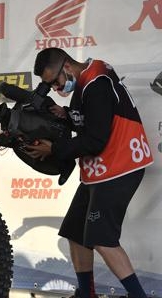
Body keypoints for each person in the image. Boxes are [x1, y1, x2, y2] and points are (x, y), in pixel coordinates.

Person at [27, 47, 154, 298]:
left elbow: (95, 140)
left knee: (102, 238)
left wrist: (55, 149)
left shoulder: (96, 84)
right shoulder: (87, 79)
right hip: (101, 170)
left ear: (66, 67)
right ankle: (86, 294)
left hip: (121, 167)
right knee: (75, 231)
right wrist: (65, 115)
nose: (55, 88)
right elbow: (90, 120)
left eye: (54, 82)